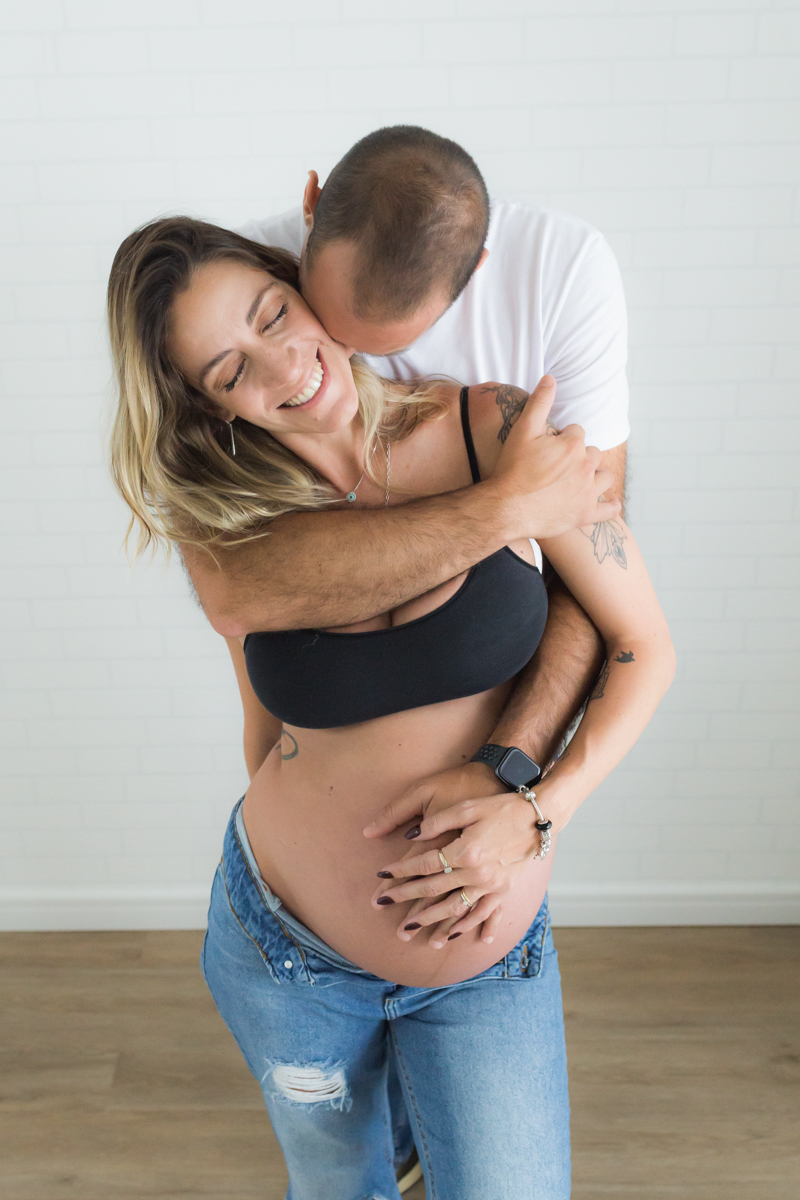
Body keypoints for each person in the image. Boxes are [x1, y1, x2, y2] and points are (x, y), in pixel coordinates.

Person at [107, 213, 674, 1199]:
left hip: (480, 960)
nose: (285, 370)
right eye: (232, 372)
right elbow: (263, 729)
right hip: (281, 952)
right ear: (210, 410)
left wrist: (537, 813)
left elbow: (642, 647)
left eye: (273, 315)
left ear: (305, 289)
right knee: (338, 1188)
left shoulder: (491, 427)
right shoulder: (228, 527)